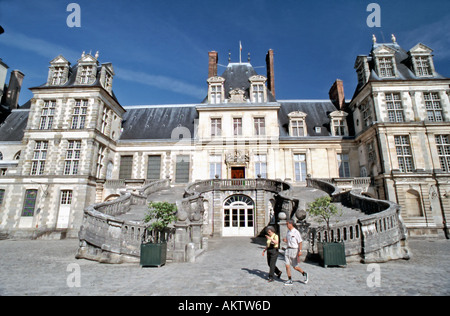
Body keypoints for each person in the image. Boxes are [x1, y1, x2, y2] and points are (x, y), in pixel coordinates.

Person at [283, 219, 308, 285]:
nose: (286, 225)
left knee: (295, 267)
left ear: (291, 224)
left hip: (294, 250)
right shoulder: (288, 232)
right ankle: (289, 279)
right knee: (287, 265)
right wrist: (285, 240)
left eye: (287, 224)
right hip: (287, 249)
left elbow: (300, 242)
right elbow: (288, 240)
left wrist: (300, 251)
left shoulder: (296, 232)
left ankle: (304, 273)